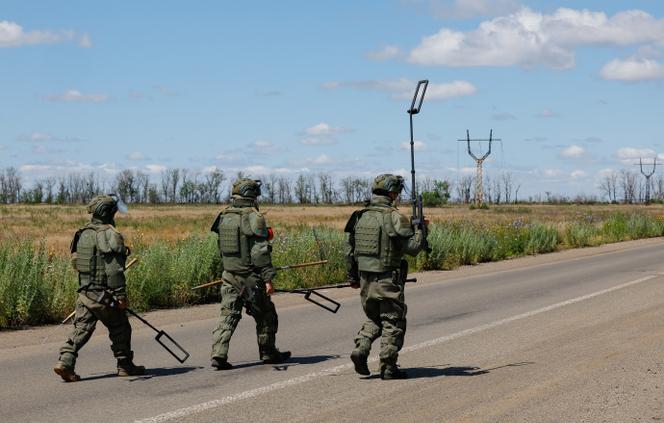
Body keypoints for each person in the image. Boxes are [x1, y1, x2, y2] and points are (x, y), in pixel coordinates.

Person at [54, 194, 144, 382]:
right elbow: (114, 271)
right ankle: (125, 365)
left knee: (82, 329)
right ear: (108, 213)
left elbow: (76, 262)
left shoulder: (83, 233)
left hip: (85, 293)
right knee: (121, 328)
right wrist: (120, 296)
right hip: (104, 296)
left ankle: (65, 361)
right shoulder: (111, 234)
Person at [344, 174, 426, 379]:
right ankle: (388, 367)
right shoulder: (394, 216)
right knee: (393, 321)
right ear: (392, 193)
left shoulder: (359, 216)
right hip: (387, 276)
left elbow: (348, 249)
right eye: (397, 192)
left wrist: (352, 276)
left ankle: (361, 348)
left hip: (365, 277)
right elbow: (413, 249)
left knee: (374, 317)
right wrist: (421, 229)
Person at [209, 178, 290, 370]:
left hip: (229, 274)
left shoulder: (224, 216)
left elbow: (221, 248)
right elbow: (260, 252)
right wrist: (268, 278)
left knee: (228, 314)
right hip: (250, 278)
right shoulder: (254, 217)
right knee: (266, 314)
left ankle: (218, 353)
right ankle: (268, 352)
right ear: (251, 196)